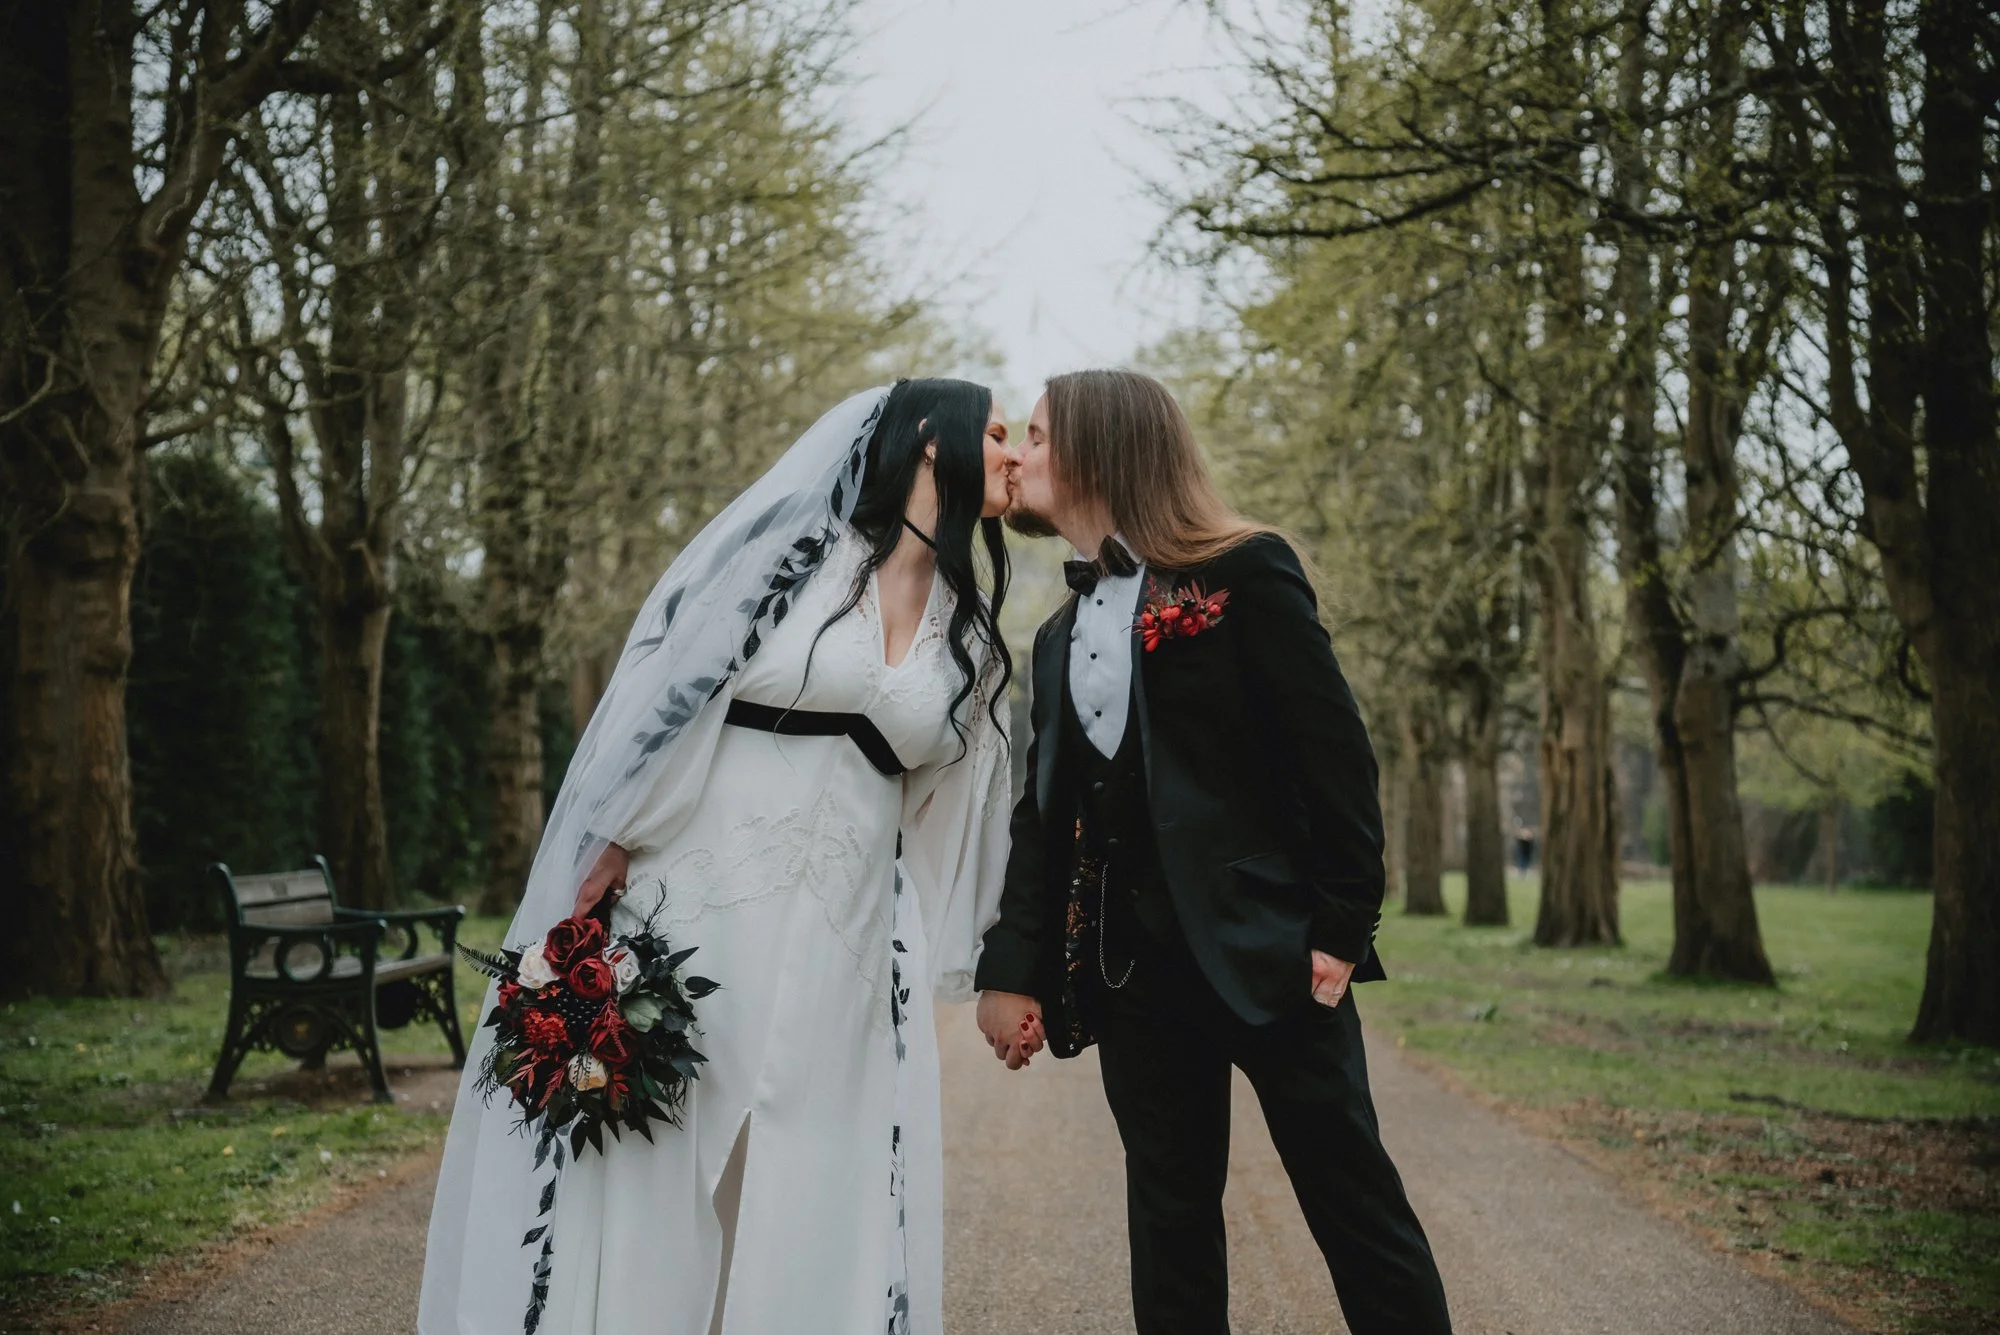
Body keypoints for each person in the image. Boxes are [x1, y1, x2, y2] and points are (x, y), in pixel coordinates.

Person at [421, 380, 1018, 1335]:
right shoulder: (797, 562)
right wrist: (613, 836)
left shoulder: (975, 642)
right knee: (657, 1149)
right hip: (701, 902)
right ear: (929, 442)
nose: (1015, 455)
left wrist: (994, 959)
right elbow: (677, 694)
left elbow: (954, 815)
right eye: (996, 433)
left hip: (845, 942)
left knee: (817, 1162)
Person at [975, 370, 1453, 1335]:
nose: (1016, 455)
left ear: (1105, 447)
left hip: (1271, 953)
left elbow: (1336, 761)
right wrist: (1011, 971)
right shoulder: (1057, 639)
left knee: (1352, 1203)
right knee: (1169, 1220)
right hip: (1133, 974)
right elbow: (1043, 822)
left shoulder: (1246, 571)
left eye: (1034, 434)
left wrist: (1340, 930)